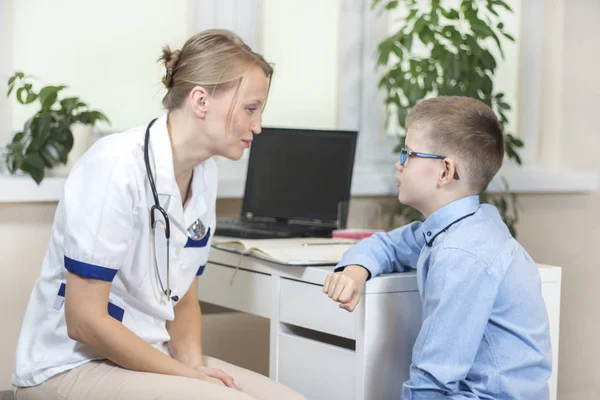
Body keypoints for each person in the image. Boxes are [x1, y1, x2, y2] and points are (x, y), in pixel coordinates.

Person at [12, 29, 307, 400]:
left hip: (151, 353)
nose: (258, 126)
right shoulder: (115, 166)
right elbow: (84, 321)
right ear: (201, 100)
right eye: (251, 108)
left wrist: (195, 367)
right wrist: (190, 379)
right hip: (69, 364)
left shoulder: (204, 172)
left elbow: (182, 298)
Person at [323, 96, 552, 399]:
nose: (398, 163)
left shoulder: (462, 254)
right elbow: (388, 245)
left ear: (445, 171)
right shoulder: (462, 225)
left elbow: (433, 380)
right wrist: (355, 270)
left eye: (407, 154)